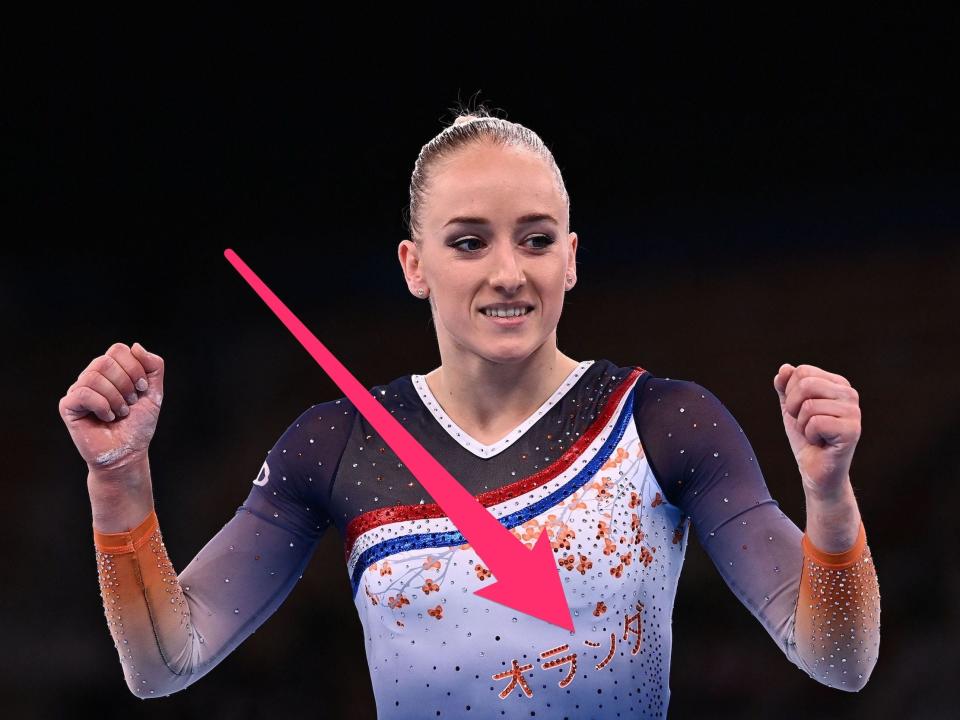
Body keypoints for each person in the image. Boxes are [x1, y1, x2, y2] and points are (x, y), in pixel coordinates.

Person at [58, 107, 881, 718]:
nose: (508, 273)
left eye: (534, 238)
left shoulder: (664, 423)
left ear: (571, 257)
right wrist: (118, 482)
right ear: (414, 265)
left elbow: (838, 660)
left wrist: (831, 498)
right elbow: (166, 663)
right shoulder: (337, 445)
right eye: (468, 242)